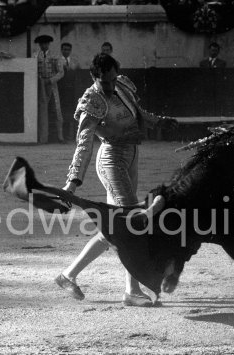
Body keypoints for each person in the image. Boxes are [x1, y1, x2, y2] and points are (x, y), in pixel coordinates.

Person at [56, 53, 178, 307]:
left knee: (114, 229)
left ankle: (68, 275)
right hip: (111, 160)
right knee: (131, 223)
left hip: (131, 155)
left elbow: (137, 112)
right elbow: (84, 143)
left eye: (112, 79)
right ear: (94, 77)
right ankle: (131, 291)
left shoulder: (121, 84)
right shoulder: (92, 99)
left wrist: (159, 122)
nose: (110, 86)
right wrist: (73, 181)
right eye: (105, 82)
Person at [34, 35, 65, 144]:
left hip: (52, 85)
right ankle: (42, 137)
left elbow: (61, 72)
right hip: (40, 86)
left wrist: (50, 80)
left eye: (45, 43)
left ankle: (60, 137)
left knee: (57, 110)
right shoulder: (35, 55)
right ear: (39, 45)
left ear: (48, 44)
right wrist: (40, 81)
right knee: (41, 111)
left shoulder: (56, 56)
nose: (43, 45)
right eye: (41, 44)